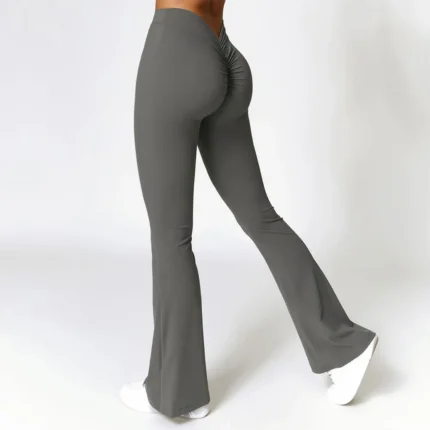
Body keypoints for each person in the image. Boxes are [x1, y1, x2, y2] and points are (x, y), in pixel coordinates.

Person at [119, 0, 378, 420]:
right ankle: (345, 347)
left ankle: (177, 393)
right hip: (222, 53)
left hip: (175, 52)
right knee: (261, 216)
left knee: (170, 237)